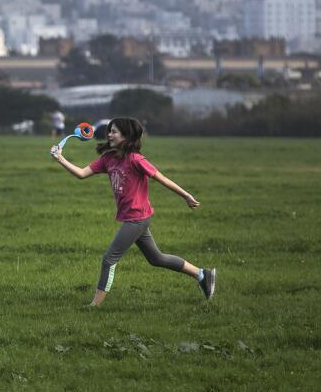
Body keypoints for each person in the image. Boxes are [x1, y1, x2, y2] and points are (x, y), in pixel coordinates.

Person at [49, 116, 215, 307]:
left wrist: (186, 195)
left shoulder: (136, 159)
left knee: (109, 259)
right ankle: (203, 274)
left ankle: (95, 305)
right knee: (156, 258)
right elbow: (81, 174)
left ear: (127, 136)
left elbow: (162, 179)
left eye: (114, 131)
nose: (109, 134)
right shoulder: (108, 158)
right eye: (109, 130)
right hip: (132, 217)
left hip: (137, 217)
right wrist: (60, 158)